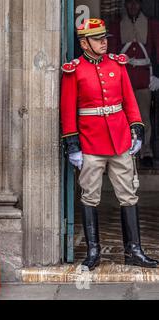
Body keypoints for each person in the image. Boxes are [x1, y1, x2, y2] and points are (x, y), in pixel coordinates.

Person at [61, 19, 158, 270]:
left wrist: (136, 128)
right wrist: (72, 145)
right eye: (97, 38)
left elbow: (129, 100)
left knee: (128, 194)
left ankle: (134, 251)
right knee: (90, 196)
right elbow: (68, 110)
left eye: (104, 37)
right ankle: (94, 252)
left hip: (120, 140)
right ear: (84, 43)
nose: (104, 42)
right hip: (91, 142)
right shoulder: (74, 70)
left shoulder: (117, 65)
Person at [108, 0, 159, 167]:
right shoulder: (117, 25)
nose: (133, 7)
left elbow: (157, 50)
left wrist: (157, 75)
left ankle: (146, 151)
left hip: (144, 78)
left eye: (136, 3)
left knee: (144, 117)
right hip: (124, 78)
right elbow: (112, 52)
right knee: (123, 117)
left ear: (140, 5)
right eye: (130, 4)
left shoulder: (152, 25)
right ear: (126, 5)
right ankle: (125, 150)